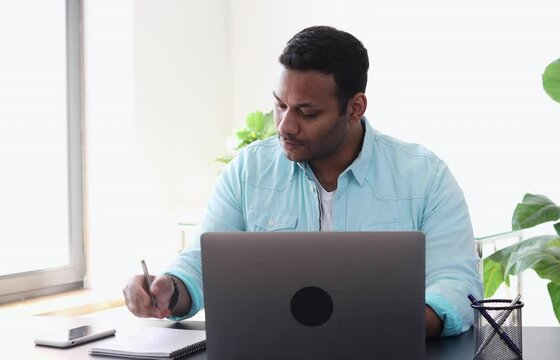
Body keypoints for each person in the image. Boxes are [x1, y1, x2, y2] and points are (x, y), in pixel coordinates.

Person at [123, 25, 483, 338]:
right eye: (280, 105)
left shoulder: (424, 176)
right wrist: (171, 289)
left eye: (307, 113)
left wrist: (395, 325)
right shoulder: (250, 170)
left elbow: (457, 283)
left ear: (355, 108)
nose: (285, 126)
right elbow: (203, 264)